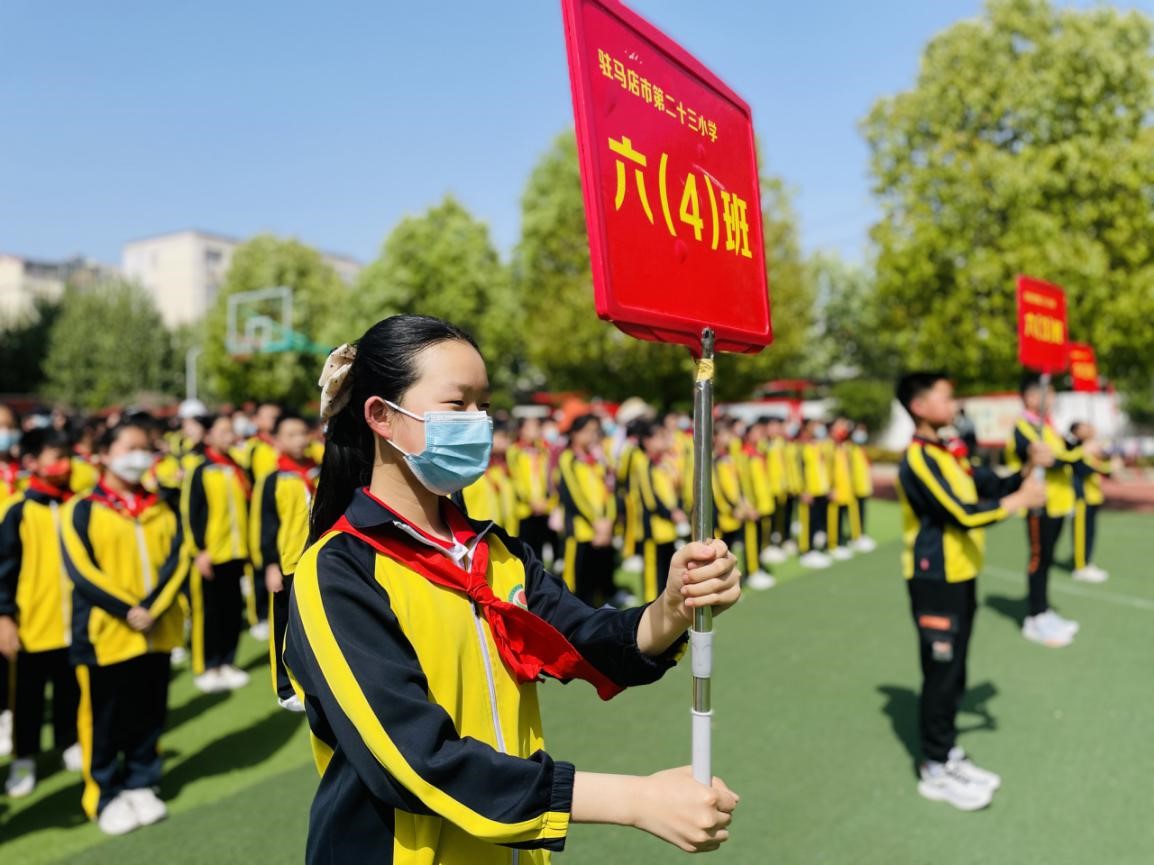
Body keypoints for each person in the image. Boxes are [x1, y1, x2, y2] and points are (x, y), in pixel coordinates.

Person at [284, 315, 742, 864]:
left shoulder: (493, 553)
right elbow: (414, 761)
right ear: (382, 416)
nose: (479, 421)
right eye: (458, 404)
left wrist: (674, 604)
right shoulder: (338, 570)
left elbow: (586, 637)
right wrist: (636, 799)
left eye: (484, 404)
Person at [895, 372, 1048, 811]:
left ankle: (947, 751)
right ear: (919, 406)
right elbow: (963, 514)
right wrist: (1017, 503)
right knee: (941, 672)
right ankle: (934, 767)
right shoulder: (918, 458)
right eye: (945, 396)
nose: (953, 401)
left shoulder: (950, 449)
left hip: (962, 574)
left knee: (957, 669)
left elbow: (986, 484)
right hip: (934, 581)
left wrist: (1024, 470)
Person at [61, 419, 189, 835]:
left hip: (157, 629)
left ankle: (141, 780)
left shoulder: (161, 506)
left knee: (149, 710)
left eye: (144, 449)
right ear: (103, 455)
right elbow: (82, 569)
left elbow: (179, 557)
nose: (139, 457)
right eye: (129, 448)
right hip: (106, 635)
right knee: (103, 720)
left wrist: (153, 607)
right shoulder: (80, 508)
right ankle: (104, 794)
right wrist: (127, 608)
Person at [0, 429, 83, 797]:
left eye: (65, 454)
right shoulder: (17, 510)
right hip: (32, 625)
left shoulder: (77, 505)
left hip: (75, 623)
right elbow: (3, 569)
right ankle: (23, 758)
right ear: (32, 462)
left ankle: (69, 742)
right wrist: (4, 617)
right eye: (54, 455)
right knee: (27, 698)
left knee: (71, 689)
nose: (62, 463)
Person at [1004, 375, 1084, 647]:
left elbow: (1064, 451)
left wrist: (1078, 443)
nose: (1051, 399)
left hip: (1059, 503)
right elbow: (1051, 460)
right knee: (1038, 560)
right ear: (1030, 397)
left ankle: (1044, 611)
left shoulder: (1048, 425)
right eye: (1046, 394)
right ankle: (1034, 618)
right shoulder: (1024, 427)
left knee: (1048, 559)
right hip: (1040, 504)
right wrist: (1079, 454)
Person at [250, 411, 317, 712]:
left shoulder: (318, 472)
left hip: (316, 561)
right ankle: (285, 687)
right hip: (286, 564)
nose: (299, 439)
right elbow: (265, 526)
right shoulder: (272, 480)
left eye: (302, 433)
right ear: (276, 441)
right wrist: (270, 565)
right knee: (283, 627)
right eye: (290, 434)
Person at [181, 414, 252, 692]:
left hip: (236, 553)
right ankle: (207, 666)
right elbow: (191, 513)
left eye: (230, 430)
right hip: (211, 554)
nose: (228, 435)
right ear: (208, 436)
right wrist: (199, 551)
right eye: (222, 431)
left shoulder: (237, 467)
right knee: (208, 613)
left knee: (232, 612)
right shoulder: (200, 469)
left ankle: (227, 662)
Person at [556, 414, 622, 606]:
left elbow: (610, 490)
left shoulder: (599, 459)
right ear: (575, 433)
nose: (592, 436)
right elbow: (574, 496)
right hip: (580, 531)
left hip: (602, 530)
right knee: (576, 585)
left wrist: (609, 521)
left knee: (596, 583)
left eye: (595, 431)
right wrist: (596, 522)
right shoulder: (568, 458)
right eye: (587, 431)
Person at [631, 420, 689, 602]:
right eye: (660, 437)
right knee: (652, 574)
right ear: (647, 441)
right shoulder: (643, 463)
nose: (665, 441)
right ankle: (649, 611)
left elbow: (677, 488)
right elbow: (650, 499)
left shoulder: (664, 463)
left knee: (666, 571)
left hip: (668, 528)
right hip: (653, 527)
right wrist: (671, 513)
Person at [1067, 421, 1111, 583]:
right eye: (1084, 428)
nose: (1090, 429)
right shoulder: (1073, 448)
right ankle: (1080, 567)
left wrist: (1103, 457)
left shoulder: (1093, 448)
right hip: (1081, 498)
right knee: (1080, 533)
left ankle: (1087, 561)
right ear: (1076, 432)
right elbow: (1081, 469)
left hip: (1094, 497)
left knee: (1090, 532)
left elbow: (1107, 468)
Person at [507, 417, 553, 562]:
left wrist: (547, 500)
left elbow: (550, 476)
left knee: (540, 546)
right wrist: (530, 500)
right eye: (530, 428)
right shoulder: (514, 451)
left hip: (543, 506)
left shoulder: (543, 450)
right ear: (521, 430)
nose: (535, 431)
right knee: (525, 547)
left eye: (537, 427)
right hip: (524, 508)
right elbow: (515, 478)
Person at [797, 421, 833, 569]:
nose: (817, 429)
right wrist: (802, 490)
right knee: (808, 522)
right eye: (814, 426)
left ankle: (814, 549)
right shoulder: (800, 448)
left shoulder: (819, 446)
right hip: (809, 492)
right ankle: (806, 551)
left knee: (817, 521)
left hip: (821, 490)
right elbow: (798, 470)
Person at [848, 423, 877, 552]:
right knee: (854, 514)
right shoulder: (849, 449)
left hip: (863, 487)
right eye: (859, 430)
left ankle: (861, 534)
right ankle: (856, 537)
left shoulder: (861, 449)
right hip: (854, 488)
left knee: (862, 512)